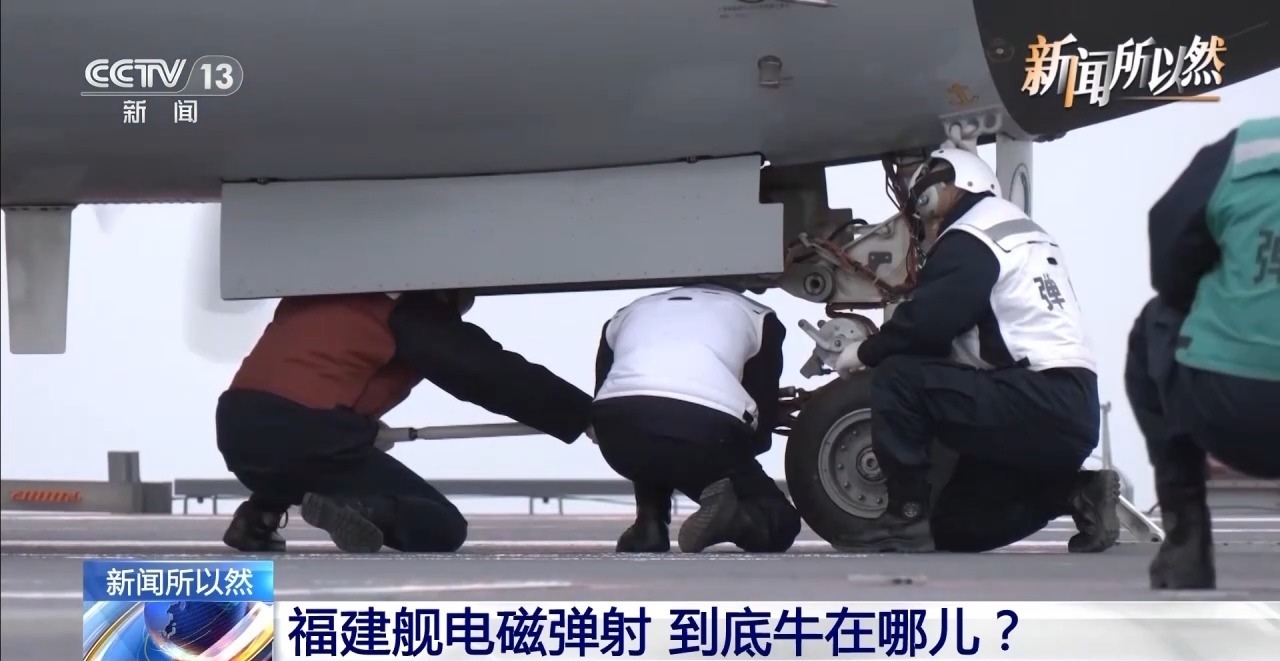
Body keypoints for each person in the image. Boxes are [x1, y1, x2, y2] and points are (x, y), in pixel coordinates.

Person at [826, 147, 1120, 554]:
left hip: (1035, 395)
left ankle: (905, 516)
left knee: (898, 378)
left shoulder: (973, 234)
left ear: (947, 186)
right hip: (1068, 410)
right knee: (955, 528)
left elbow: (927, 326)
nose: (921, 220)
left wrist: (864, 352)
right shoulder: (1019, 232)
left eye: (921, 201)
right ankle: (1077, 493)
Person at [217, 290, 593, 553]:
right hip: (310, 432)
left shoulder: (317, 294)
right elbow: (487, 373)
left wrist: (361, 429)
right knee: (442, 527)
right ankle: (362, 508)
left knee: (299, 458)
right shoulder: (408, 312)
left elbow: (308, 380)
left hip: (237, 424)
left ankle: (257, 518)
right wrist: (583, 415)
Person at [1124, 117, 1280, 590]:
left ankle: (1186, 538)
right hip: (1234, 403)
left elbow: (1169, 259)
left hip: (1230, 407)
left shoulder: (1250, 148)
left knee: (1155, 323)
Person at [591, 283, 803, 554]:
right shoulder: (760, 317)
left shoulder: (628, 312)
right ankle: (733, 518)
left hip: (617, 436)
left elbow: (609, 393)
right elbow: (759, 427)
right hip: (703, 432)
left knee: (646, 417)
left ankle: (649, 525)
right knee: (781, 523)